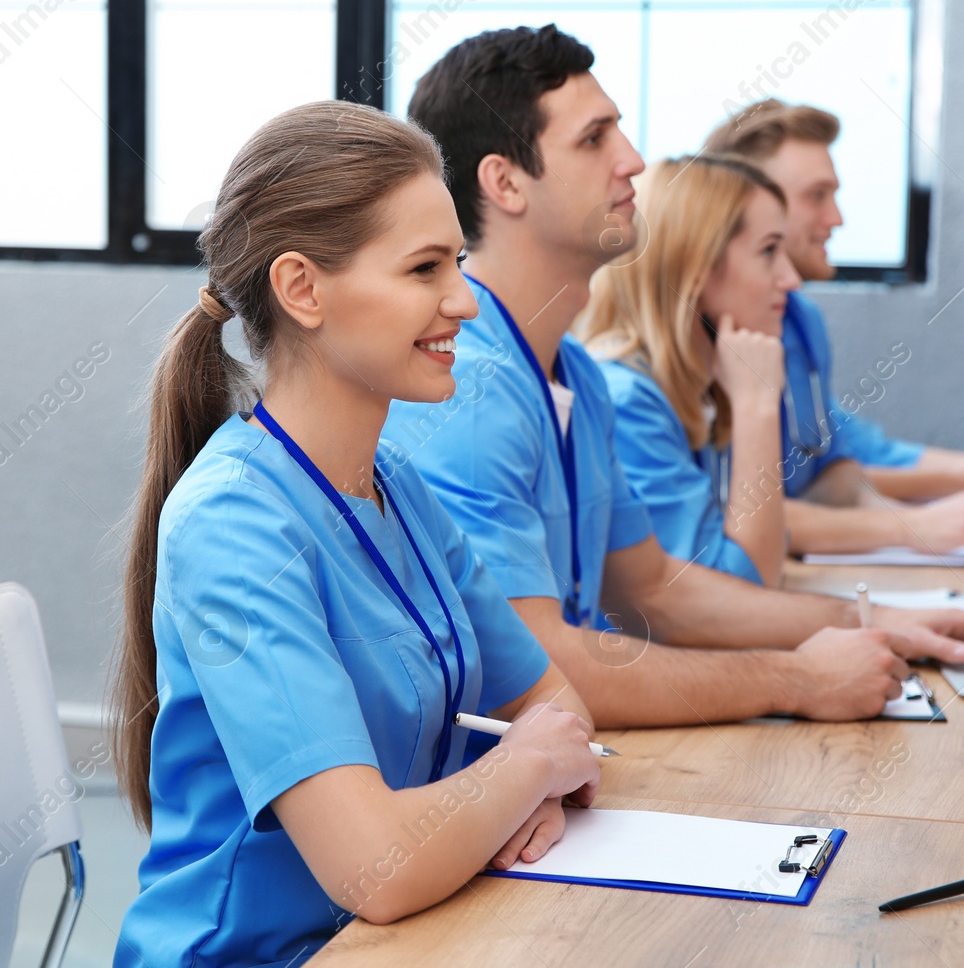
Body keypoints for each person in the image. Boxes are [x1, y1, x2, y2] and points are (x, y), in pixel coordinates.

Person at [383, 25, 964, 733]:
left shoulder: (576, 377)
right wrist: (796, 676)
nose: (632, 161)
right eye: (594, 139)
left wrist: (877, 618)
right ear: (505, 182)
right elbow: (537, 668)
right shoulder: (468, 391)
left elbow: (657, 590)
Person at [110, 102, 601, 968]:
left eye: (457, 261)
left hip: (411, 929)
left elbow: (556, 707)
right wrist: (523, 774)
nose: (464, 300)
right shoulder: (233, 524)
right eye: (423, 268)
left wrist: (531, 784)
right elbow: (376, 864)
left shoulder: (395, 486)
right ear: (302, 288)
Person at [702, 100, 964, 554]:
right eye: (816, 196)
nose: (836, 218)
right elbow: (729, 509)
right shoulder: (688, 359)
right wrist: (914, 525)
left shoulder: (801, 323)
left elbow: (847, 459)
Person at [579, 154, 798, 587]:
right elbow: (743, 591)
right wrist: (758, 405)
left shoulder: (684, 387)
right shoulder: (627, 403)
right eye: (769, 251)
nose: (791, 279)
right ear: (694, 264)